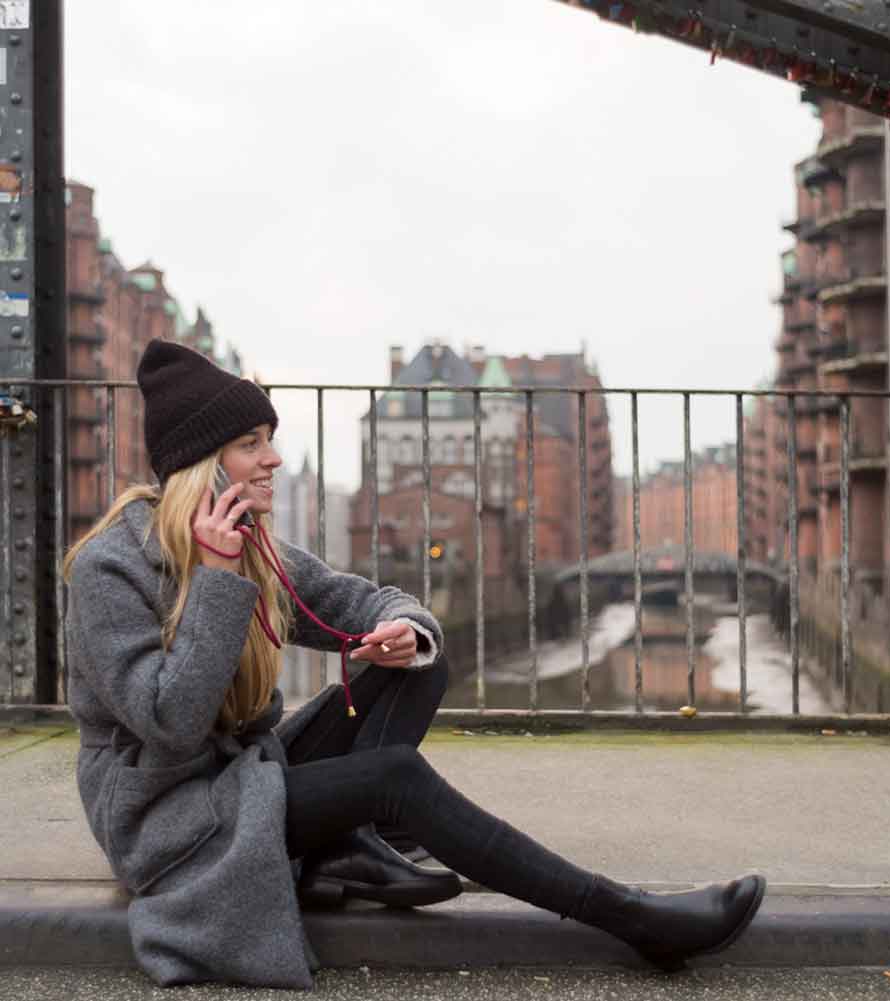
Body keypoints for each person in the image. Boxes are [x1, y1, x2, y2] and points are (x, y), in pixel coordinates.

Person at [64, 339, 765, 991]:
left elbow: (364, 597)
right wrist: (217, 582)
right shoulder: (110, 569)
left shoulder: (252, 547)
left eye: (270, 439)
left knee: (419, 662)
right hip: (168, 816)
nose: (272, 458)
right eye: (251, 443)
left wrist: (402, 629)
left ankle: (342, 844)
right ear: (202, 464)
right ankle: (631, 915)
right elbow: (171, 724)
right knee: (392, 778)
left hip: (241, 778)